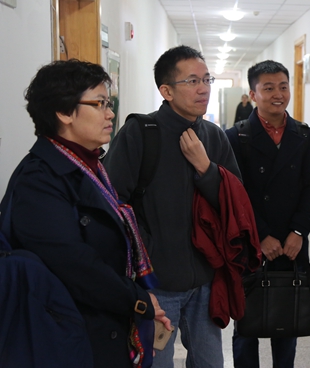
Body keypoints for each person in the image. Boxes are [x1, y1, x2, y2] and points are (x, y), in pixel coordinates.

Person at [0, 59, 171, 368]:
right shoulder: (38, 180)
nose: (110, 113)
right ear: (64, 112)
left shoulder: (89, 166)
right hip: (65, 338)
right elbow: (75, 265)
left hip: (101, 326)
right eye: (99, 103)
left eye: (109, 103)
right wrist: (137, 300)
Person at [103, 45, 241, 368]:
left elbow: (235, 201)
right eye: (192, 81)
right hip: (156, 284)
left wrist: (206, 169)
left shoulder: (214, 137)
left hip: (205, 280)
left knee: (210, 363)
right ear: (166, 91)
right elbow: (111, 202)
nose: (203, 88)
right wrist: (143, 260)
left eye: (207, 79)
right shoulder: (140, 133)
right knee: (157, 363)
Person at [225, 60, 310, 368]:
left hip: (292, 242)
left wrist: (299, 232)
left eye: (283, 86)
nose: (278, 94)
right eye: (268, 88)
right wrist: (261, 235)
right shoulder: (237, 136)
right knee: (247, 321)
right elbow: (236, 194)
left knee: (287, 316)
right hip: (251, 242)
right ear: (253, 94)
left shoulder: (303, 135)